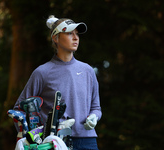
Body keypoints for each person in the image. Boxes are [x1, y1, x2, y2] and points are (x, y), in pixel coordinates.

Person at [13, 15, 102, 150]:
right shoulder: (42, 72)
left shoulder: (88, 71)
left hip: (88, 141)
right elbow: (19, 109)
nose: (75, 37)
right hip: (55, 142)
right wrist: (33, 138)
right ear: (55, 38)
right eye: (69, 33)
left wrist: (94, 116)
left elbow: (96, 107)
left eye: (77, 34)